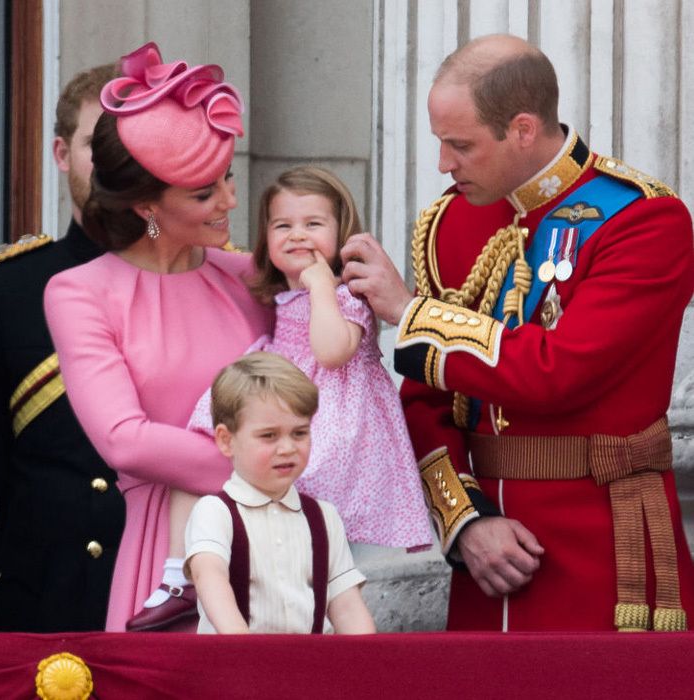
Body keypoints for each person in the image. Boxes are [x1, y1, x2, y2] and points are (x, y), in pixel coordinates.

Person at [341, 34, 694, 631]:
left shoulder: (643, 219)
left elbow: (559, 371)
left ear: (524, 129)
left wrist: (411, 312)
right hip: (486, 564)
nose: (443, 164)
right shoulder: (450, 222)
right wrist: (466, 522)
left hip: (605, 548)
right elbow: (427, 403)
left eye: (461, 145)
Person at [43, 42, 272, 632]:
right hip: (168, 559)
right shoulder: (80, 291)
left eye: (226, 179)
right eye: (204, 193)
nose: (229, 202)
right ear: (147, 206)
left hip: (276, 541)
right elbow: (126, 441)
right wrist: (272, 468)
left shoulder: (250, 279)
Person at [188, 166, 432, 549]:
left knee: (309, 488)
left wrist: (321, 286)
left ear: (340, 231)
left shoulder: (349, 296)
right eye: (282, 226)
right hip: (284, 392)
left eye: (313, 224)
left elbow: (331, 352)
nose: (297, 234)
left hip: (334, 413)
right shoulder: (277, 293)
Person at [0, 64, 125, 632]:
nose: (115, 163)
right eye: (98, 144)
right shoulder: (8, 287)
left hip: (180, 605)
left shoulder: (216, 283)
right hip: (39, 609)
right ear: (60, 153)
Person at [185, 352, 376, 635]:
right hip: (239, 668)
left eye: (299, 433)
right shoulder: (215, 511)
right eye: (269, 436)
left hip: (310, 670)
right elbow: (209, 577)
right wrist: (245, 648)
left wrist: (373, 664)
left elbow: (347, 606)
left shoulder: (323, 517)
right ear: (226, 441)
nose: (287, 448)